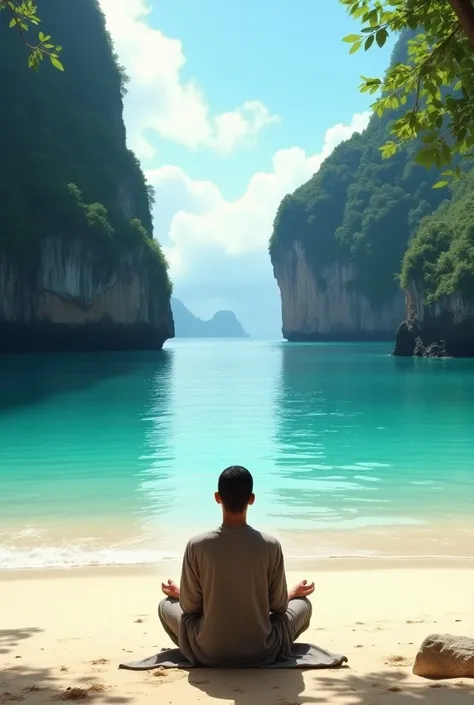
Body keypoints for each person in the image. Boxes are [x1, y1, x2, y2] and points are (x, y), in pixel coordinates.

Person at [158, 465, 314, 667]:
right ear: (251, 499)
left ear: (217, 497)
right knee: (304, 605)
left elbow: (190, 607)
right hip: (262, 650)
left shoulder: (197, 545)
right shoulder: (270, 545)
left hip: (209, 652)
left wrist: (180, 594)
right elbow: (278, 607)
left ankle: (192, 651)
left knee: (165, 605)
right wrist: (292, 593)